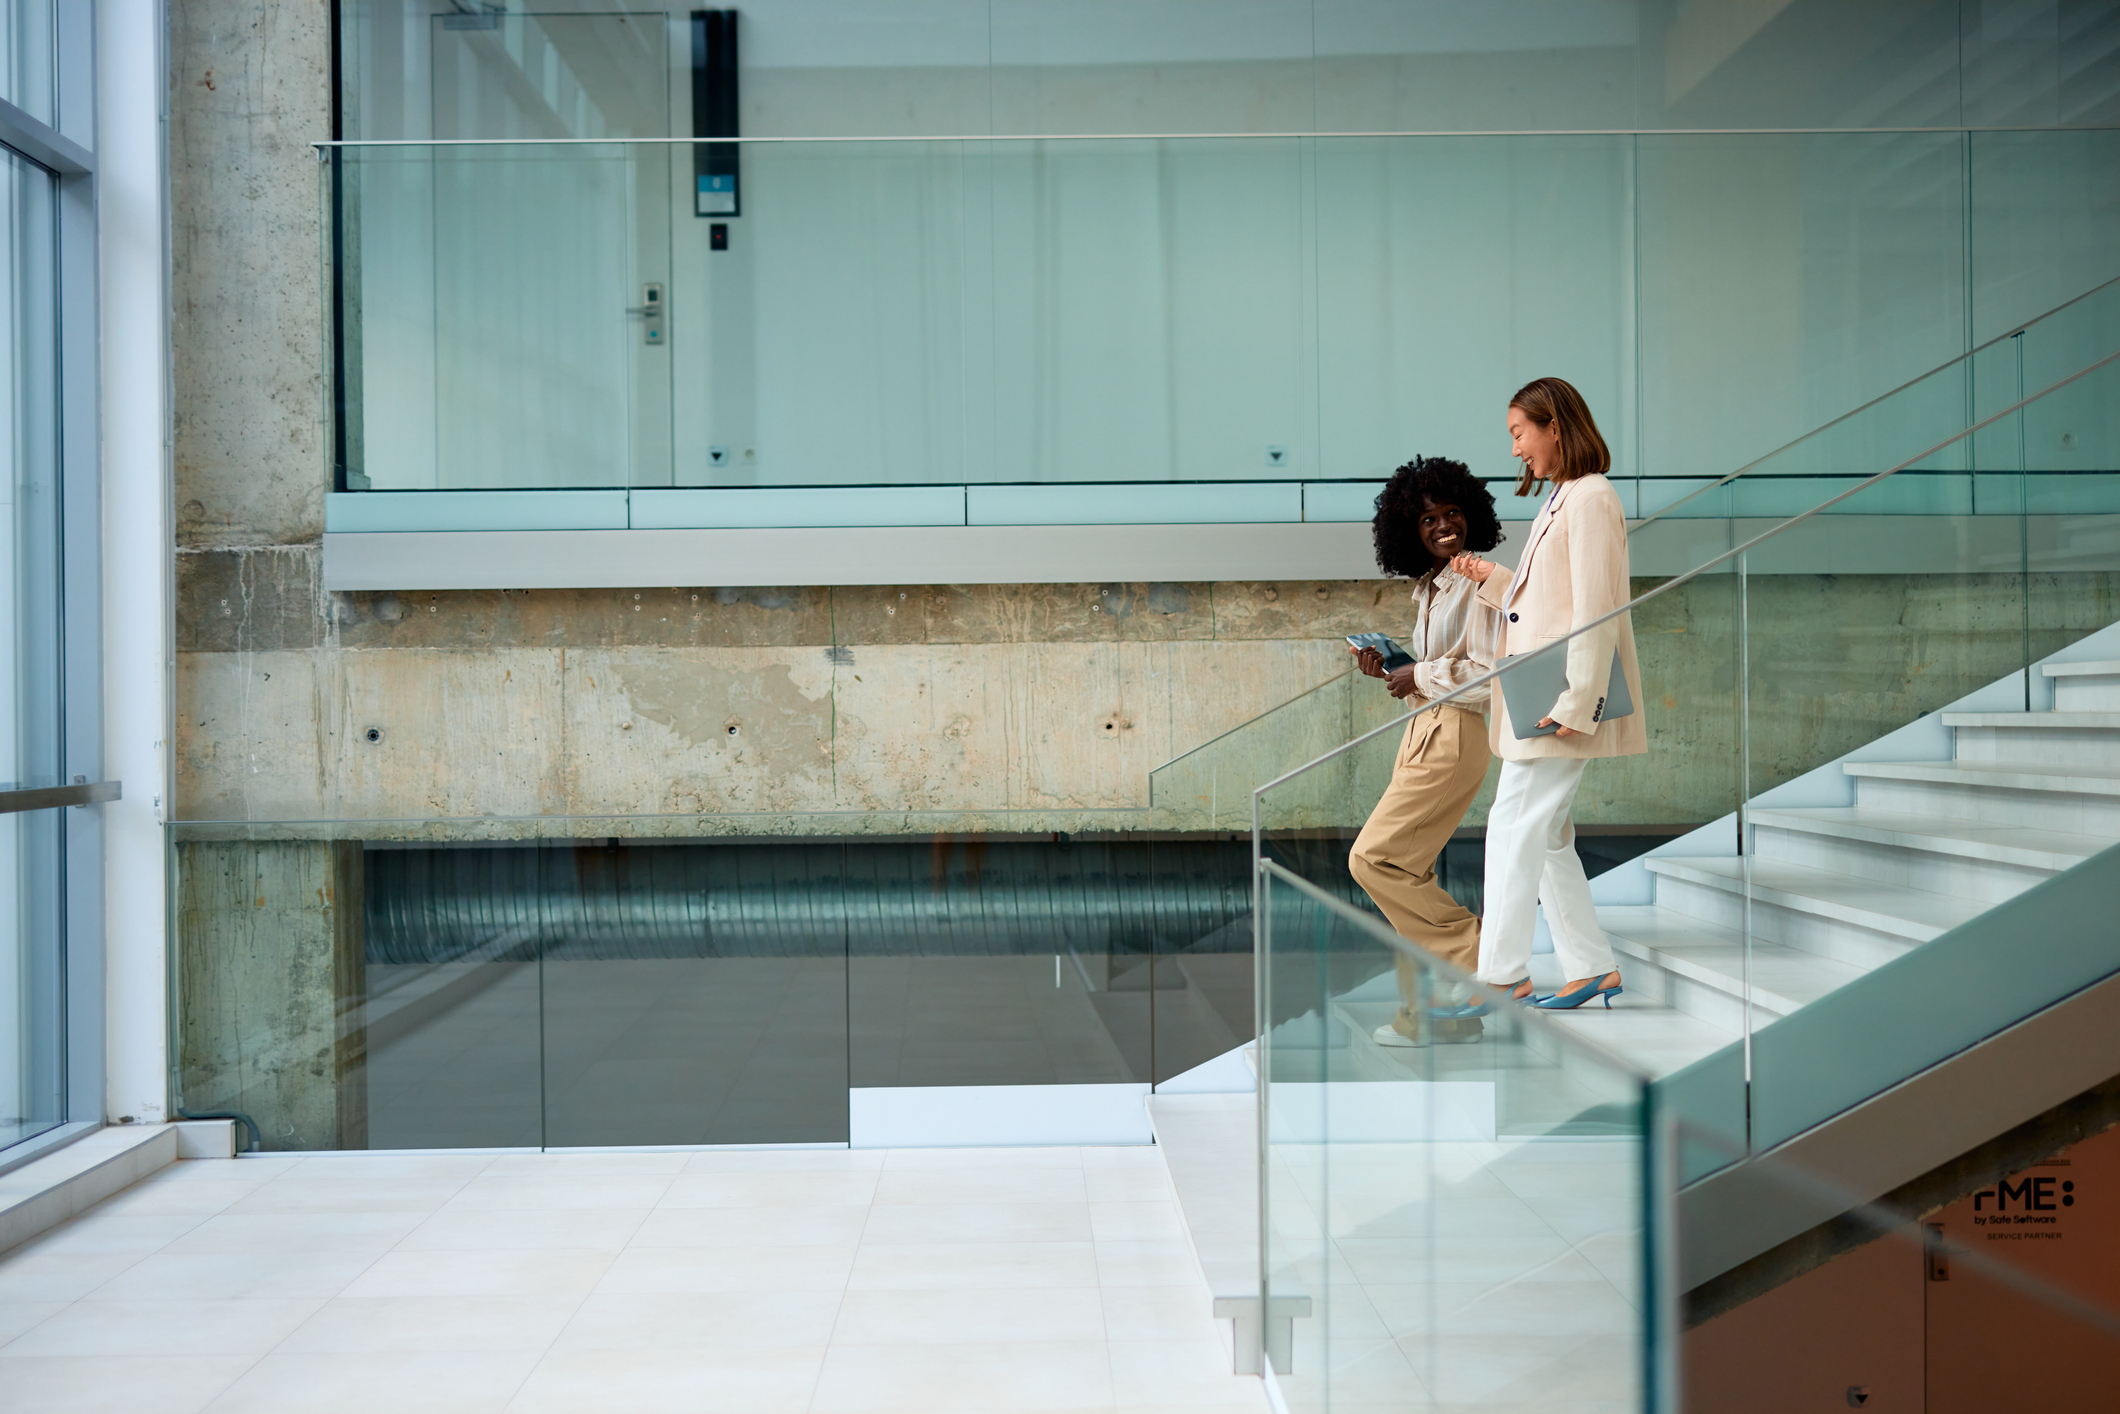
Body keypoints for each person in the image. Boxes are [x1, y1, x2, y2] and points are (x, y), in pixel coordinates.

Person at [1450, 377, 1646, 1010]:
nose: (1514, 449)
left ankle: (1501, 975)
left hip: (1559, 697)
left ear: (1553, 426)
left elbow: (1596, 609)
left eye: (1518, 433)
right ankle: (1593, 967)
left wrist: (1577, 701)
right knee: (1550, 834)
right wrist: (1495, 578)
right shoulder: (1567, 496)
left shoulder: (1590, 499)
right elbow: (1554, 597)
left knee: (1512, 826)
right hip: (1546, 689)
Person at [1347, 456, 1507, 1046]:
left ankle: (1484, 962)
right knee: (1411, 870)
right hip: (1425, 731)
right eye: (1427, 519)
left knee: (1375, 861)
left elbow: (1495, 676)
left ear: (1473, 513)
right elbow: (1437, 672)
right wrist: (1396, 672)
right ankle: (1432, 1022)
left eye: (1452, 513)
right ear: (1407, 532)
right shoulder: (1432, 586)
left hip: (1455, 734)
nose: (1443, 526)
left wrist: (1421, 675)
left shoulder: (1482, 581)